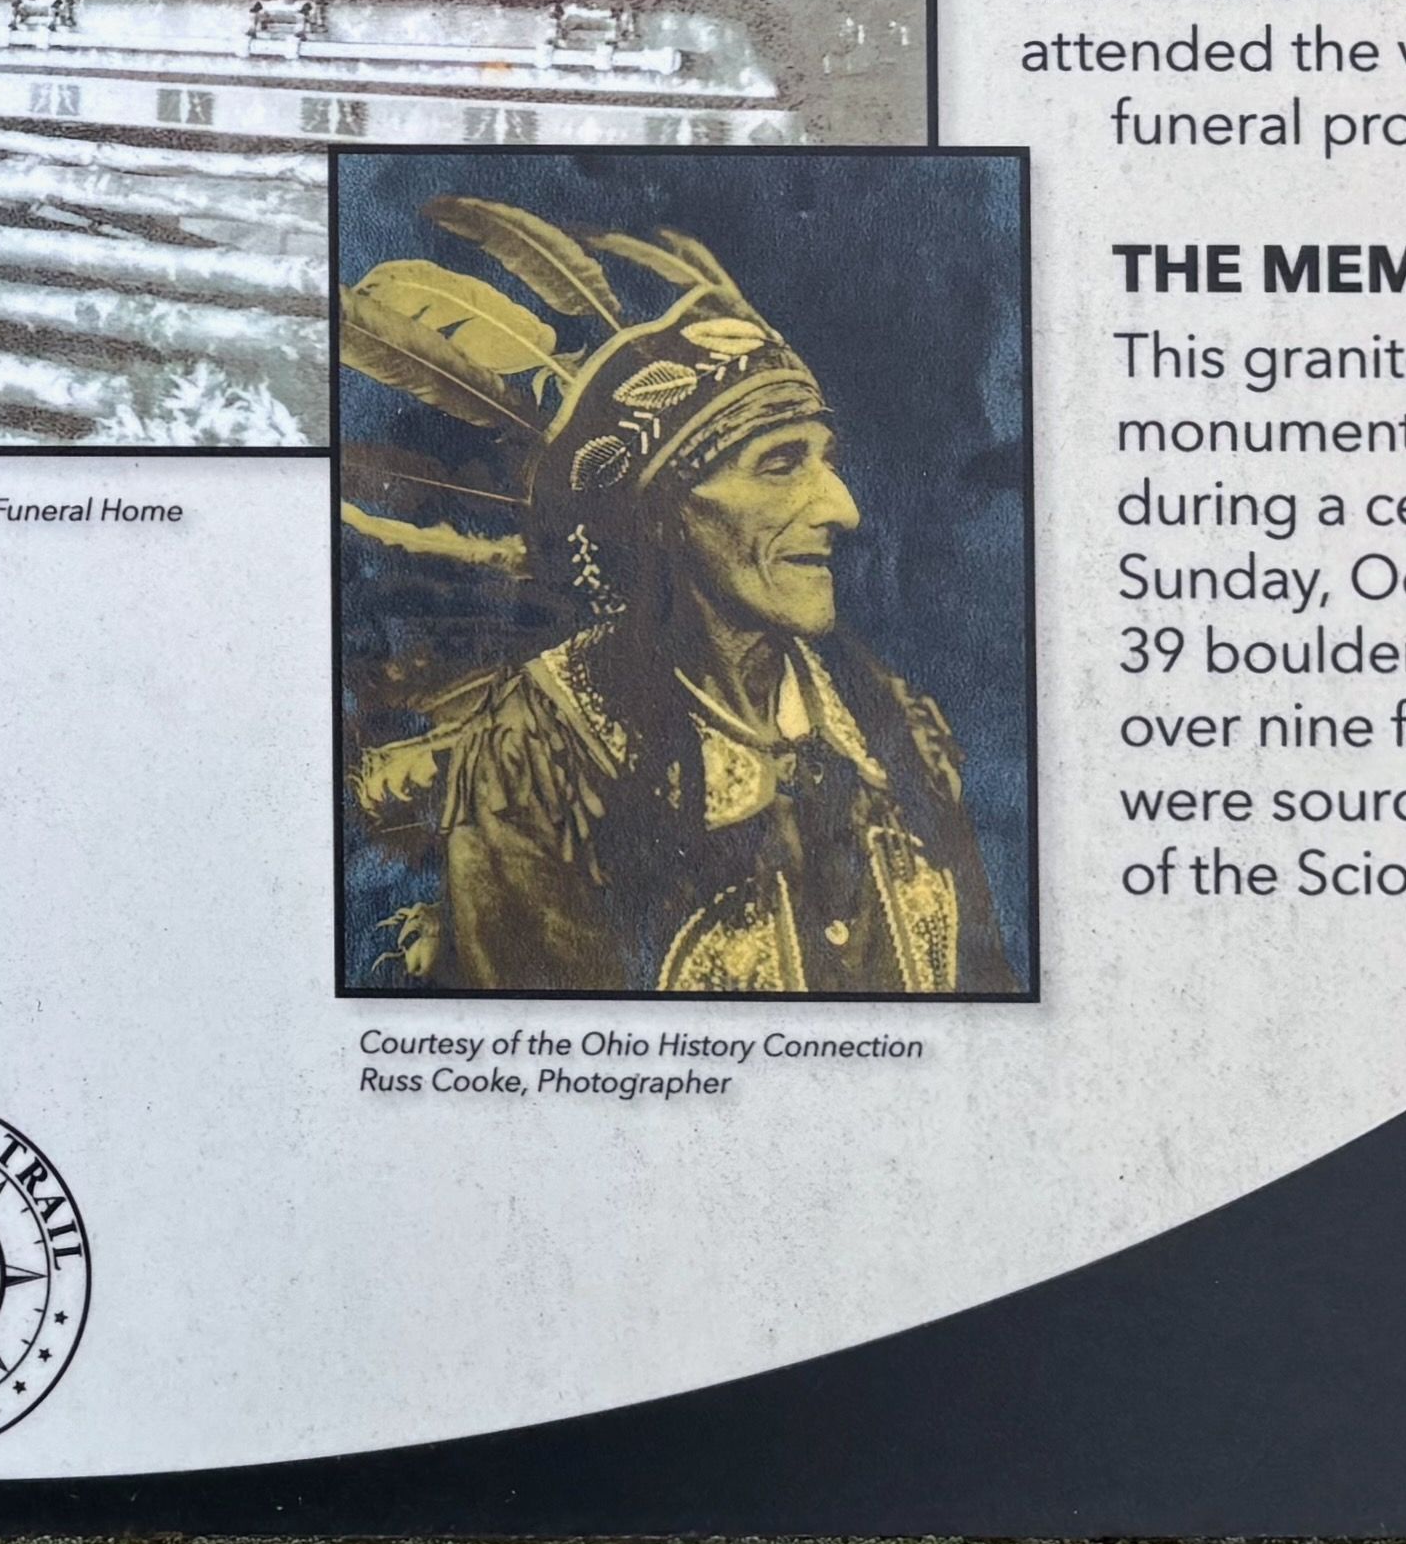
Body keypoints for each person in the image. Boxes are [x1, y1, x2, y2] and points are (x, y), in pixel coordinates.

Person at [337, 198, 1017, 997]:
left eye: (826, 459)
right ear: (663, 519)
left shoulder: (892, 726)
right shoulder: (542, 757)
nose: (841, 508)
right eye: (779, 463)